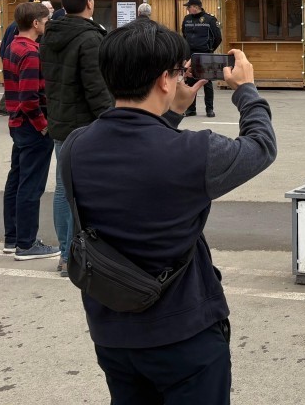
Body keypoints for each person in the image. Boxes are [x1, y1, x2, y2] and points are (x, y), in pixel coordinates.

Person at [64, 20, 276, 403]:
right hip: (184, 335)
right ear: (165, 80)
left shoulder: (76, 146)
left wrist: (173, 112)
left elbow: (139, 152)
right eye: (177, 72)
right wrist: (246, 91)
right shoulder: (195, 153)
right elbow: (261, 146)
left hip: (113, 333)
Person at [42, 0, 114, 276]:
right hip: (86, 124)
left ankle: (64, 252)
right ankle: (80, 254)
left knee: (63, 188)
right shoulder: (89, 39)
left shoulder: (50, 36)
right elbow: (95, 88)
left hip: (59, 120)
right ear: (90, 3)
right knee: (87, 190)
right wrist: (111, 120)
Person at [1, 1, 58, 260]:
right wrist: (43, 127)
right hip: (31, 126)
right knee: (31, 186)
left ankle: (13, 239)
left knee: (16, 181)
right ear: (35, 23)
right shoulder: (32, 53)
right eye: (45, 21)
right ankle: (26, 244)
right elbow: (29, 98)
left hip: (16, 124)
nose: (47, 24)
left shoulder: (13, 46)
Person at [0, 0, 44, 115]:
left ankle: (8, 108)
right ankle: (5, 108)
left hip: (16, 55)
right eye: (35, 6)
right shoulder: (17, 26)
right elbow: (13, 44)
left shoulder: (22, 25)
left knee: (18, 84)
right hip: (16, 56)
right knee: (21, 84)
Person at [181, 0, 222, 117]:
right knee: (190, 82)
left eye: (189, 7)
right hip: (190, 54)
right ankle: (190, 109)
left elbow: (218, 38)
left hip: (205, 53)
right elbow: (184, 35)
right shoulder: (187, 19)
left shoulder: (210, 19)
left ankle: (209, 109)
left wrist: (209, 49)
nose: (187, 9)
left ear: (196, 7)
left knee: (206, 82)